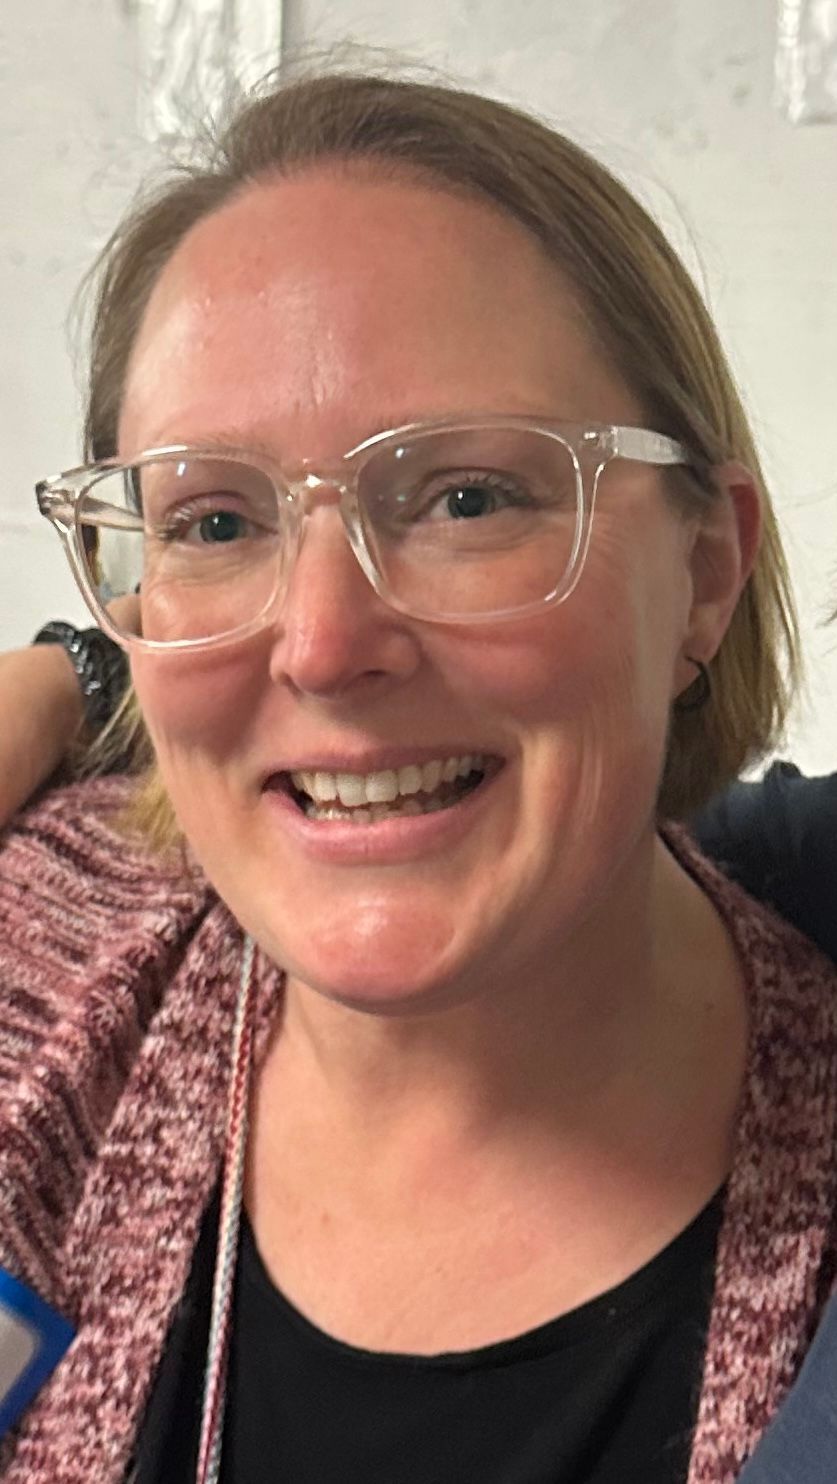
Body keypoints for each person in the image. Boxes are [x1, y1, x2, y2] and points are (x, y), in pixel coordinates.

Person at [1, 67, 836, 1484]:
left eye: (467, 498)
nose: (323, 645)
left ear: (702, 569)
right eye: (214, 519)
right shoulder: (43, 975)